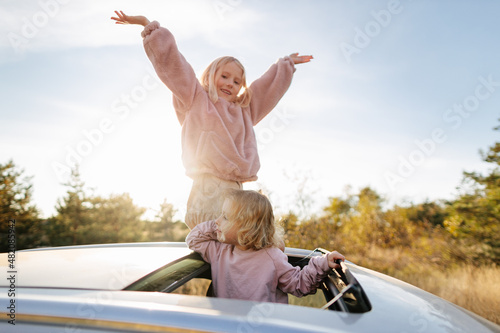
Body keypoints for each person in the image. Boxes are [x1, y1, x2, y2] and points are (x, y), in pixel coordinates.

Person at [111, 11, 313, 229]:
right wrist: (148, 25)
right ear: (210, 75)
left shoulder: (244, 110)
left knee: (236, 241)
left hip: (236, 188)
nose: (229, 84)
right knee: (209, 238)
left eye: (237, 81)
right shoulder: (196, 97)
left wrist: (285, 65)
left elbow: (265, 89)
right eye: (224, 76)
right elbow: (173, 64)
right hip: (208, 184)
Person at [186, 189, 345, 303]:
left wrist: (323, 263)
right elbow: (193, 238)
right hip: (227, 325)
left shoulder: (272, 257)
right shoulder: (220, 250)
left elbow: (298, 284)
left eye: (225, 217)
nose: (216, 221)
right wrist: (220, 229)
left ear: (246, 227)